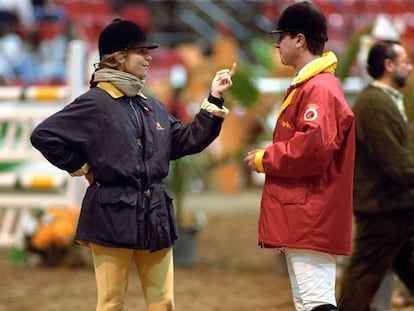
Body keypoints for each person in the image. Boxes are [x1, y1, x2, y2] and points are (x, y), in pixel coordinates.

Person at [30, 18, 236, 311]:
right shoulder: (94, 103)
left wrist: (214, 97)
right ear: (119, 57)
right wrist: (82, 167)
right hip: (112, 211)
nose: (149, 57)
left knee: (164, 302)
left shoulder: (151, 105)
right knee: (111, 302)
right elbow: (44, 135)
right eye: (141, 52)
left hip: (155, 213)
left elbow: (184, 141)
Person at [243, 2, 355, 310]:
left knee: (316, 302)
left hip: (311, 212)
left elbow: (311, 150)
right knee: (307, 302)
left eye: (283, 36)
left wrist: (265, 158)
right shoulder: (314, 84)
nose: (277, 44)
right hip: (304, 210)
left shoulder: (320, 88)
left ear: (300, 40)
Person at [338, 40, 414, 310]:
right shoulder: (375, 105)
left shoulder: (386, 100)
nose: (410, 66)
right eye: (404, 61)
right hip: (383, 209)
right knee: (363, 276)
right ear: (389, 65)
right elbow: (396, 162)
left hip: (396, 206)